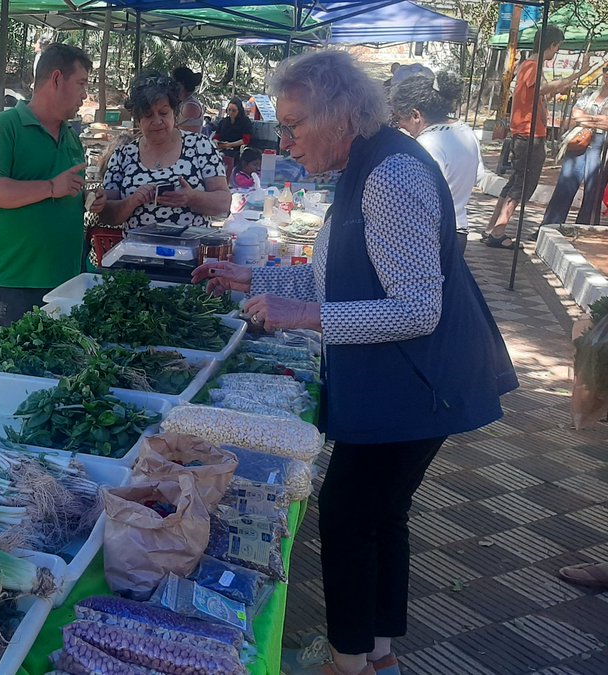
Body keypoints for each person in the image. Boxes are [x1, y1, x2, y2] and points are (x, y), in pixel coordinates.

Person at [193, 50, 518, 675]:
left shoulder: (390, 175)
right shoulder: (361, 167)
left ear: (341, 116)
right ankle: (378, 657)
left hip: (419, 385)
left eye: (292, 125)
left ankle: (348, 665)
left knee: (348, 518)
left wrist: (307, 319)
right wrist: (247, 277)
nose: (282, 140)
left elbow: (417, 310)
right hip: (405, 384)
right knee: (379, 515)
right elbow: (326, 282)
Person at [0, 43, 102, 331]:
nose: (85, 95)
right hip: (19, 283)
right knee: (13, 369)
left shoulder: (71, 135)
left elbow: (67, 193)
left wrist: (89, 198)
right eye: (81, 83)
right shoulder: (6, 128)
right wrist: (50, 188)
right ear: (57, 79)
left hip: (68, 280)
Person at [484, 26, 590, 248]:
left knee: (514, 183)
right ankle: (498, 231)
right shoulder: (532, 65)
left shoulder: (527, 65)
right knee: (523, 185)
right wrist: (578, 73)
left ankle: (493, 227)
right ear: (551, 45)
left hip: (525, 133)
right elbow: (541, 89)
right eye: (557, 48)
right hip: (528, 134)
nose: (556, 52)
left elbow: (537, 93)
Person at [96, 74, 230, 230]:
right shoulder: (123, 155)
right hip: (139, 252)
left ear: (175, 113)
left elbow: (224, 205)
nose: (157, 121)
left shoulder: (201, 147)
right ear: (138, 120)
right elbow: (106, 215)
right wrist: (132, 201)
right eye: (148, 115)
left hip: (190, 251)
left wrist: (192, 197)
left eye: (164, 113)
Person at [389, 69, 485, 253]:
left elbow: (419, 199)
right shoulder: (466, 131)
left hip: (434, 235)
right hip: (459, 230)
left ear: (416, 115)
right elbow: (479, 176)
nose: (399, 125)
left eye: (400, 118)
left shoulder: (427, 144)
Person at [542, 76, 608, 226]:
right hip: (580, 140)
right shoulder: (589, 94)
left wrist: (587, 119)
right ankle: (550, 225)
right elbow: (576, 115)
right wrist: (597, 120)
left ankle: (585, 227)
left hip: (602, 145)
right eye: (606, 70)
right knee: (565, 184)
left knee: (593, 190)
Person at [214, 97, 254, 162]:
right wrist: (217, 143)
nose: (231, 112)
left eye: (234, 110)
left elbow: (246, 140)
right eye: (229, 110)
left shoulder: (245, 121)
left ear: (239, 111)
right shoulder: (223, 121)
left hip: (237, 150)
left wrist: (230, 144)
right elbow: (216, 136)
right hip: (222, 148)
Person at [172, 66, 207, 133]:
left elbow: (182, 135)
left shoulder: (190, 106)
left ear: (182, 83)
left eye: (174, 83)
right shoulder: (184, 103)